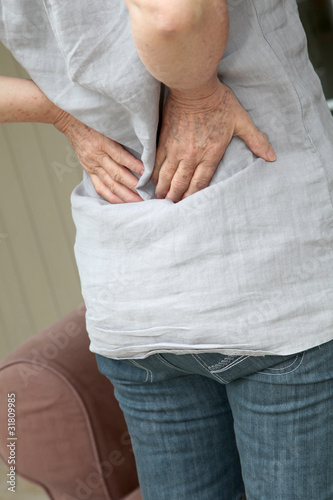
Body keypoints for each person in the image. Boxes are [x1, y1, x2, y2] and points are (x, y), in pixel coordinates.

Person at [1, 1, 332, 499]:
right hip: (267, 266)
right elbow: (172, 15)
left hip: (133, 291)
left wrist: (62, 116)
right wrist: (196, 94)